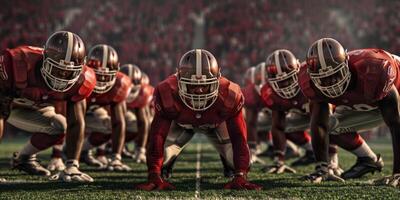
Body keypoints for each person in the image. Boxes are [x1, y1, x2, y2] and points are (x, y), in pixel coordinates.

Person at [135, 49, 261, 190]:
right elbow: (157, 135)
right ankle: (168, 163)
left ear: (217, 80)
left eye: (205, 85)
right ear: (179, 80)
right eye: (193, 85)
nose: (199, 91)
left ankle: (228, 162)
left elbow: (238, 137)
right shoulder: (166, 92)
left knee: (243, 162)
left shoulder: (230, 94)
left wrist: (241, 174)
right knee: (161, 160)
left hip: (217, 125)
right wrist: (153, 173)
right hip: (181, 125)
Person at [2, 31, 96, 182]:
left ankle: (24, 158)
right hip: (9, 105)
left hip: (35, 107)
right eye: (57, 69)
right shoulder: (17, 62)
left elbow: (76, 122)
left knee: (59, 125)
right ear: (44, 59)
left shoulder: (83, 80)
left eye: (69, 73)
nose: (61, 77)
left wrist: (72, 166)